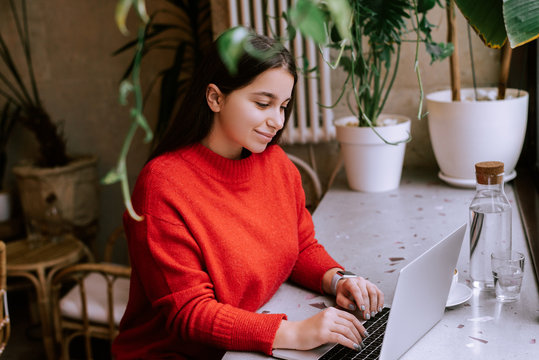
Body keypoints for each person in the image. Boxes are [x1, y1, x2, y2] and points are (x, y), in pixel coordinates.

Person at [112, 28, 384, 359]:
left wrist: (338, 280)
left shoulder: (277, 164)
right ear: (215, 98)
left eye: (283, 106)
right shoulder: (162, 185)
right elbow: (190, 312)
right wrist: (295, 332)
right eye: (262, 103)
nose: (276, 120)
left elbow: (298, 248)